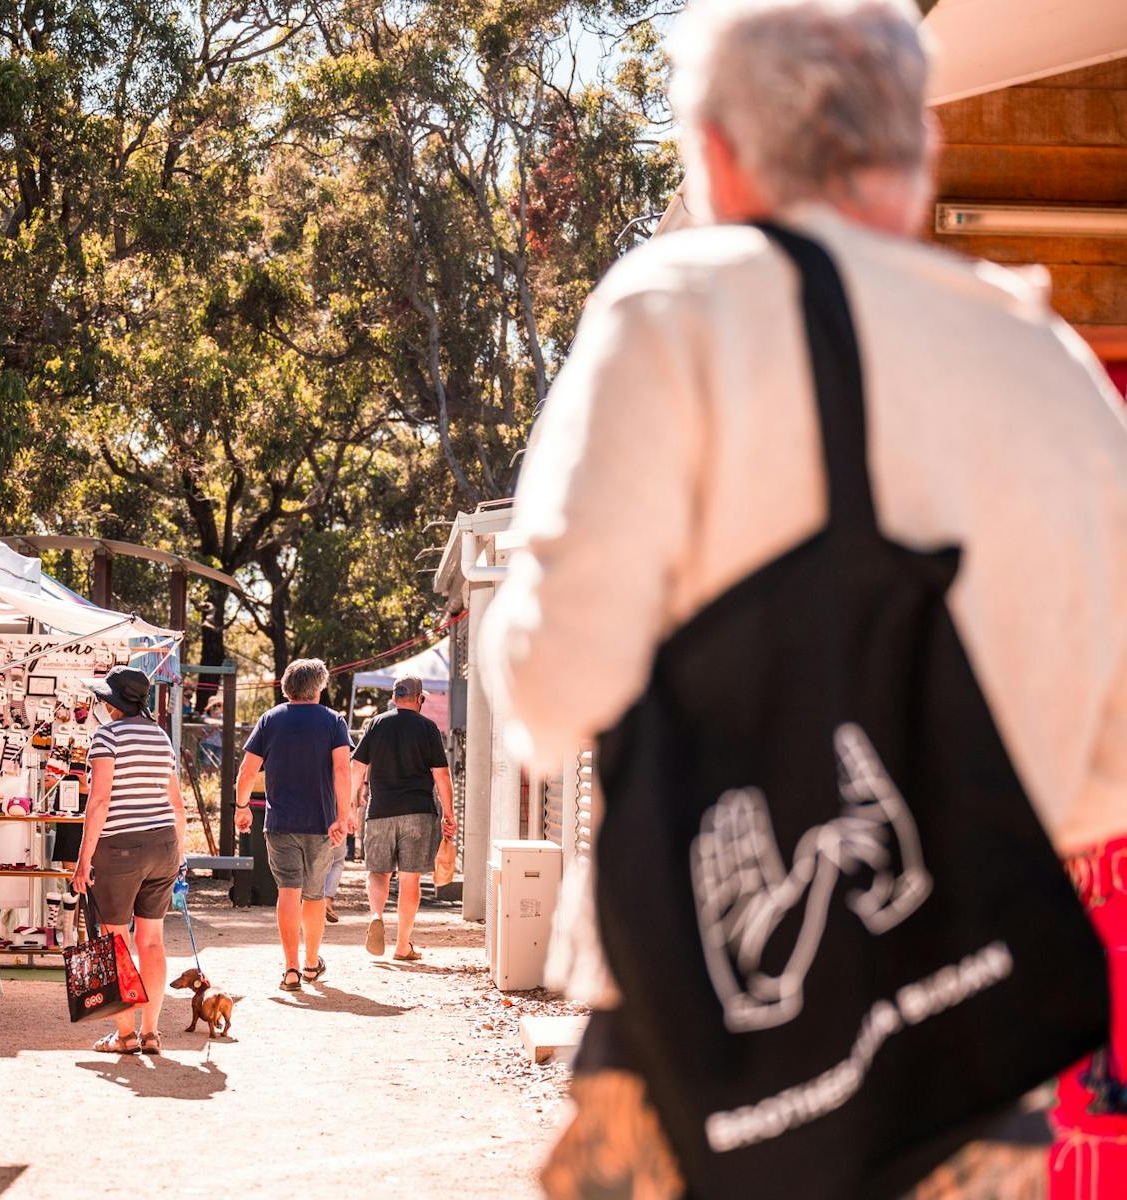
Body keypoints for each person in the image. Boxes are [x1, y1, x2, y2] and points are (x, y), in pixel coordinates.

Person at [479, 1, 1127, 1195]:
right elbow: (1104, 777)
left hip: (703, 1061)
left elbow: (554, 689)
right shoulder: (1059, 371)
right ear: (919, 147)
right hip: (967, 1079)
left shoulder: (676, 311)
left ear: (715, 151)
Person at [73, 666, 186, 1055]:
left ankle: (124, 1035)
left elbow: (100, 801)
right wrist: (180, 855)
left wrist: (83, 858)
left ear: (111, 701)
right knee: (152, 941)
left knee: (114, 940)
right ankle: (151, 1032)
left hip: (119, 848)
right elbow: (177, 804)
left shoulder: (106, 737)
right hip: (164, 845)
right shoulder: (161, 737)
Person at [234, 658, 351, 992]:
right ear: (319, 688)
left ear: (287, 687)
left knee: (288, 890)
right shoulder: (334, 722)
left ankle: (291, 969)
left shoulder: (270, 720)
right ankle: (312, 962)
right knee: (313, 895)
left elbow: (247, 770)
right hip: (322, 823)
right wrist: (342, 817)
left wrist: (242, 807)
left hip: (280, 821)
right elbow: (343, 770)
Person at [351, 675, 454, 961]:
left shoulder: (376, 724)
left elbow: (357, 767)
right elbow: (441, 775)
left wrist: (352, 803)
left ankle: (376, 914)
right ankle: (402, 945)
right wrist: (449, 813)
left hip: (381, 810)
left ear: (395, 697)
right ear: (419, 698)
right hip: (418, 812)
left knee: (378, 871)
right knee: (410, 879)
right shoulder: (428, 728)